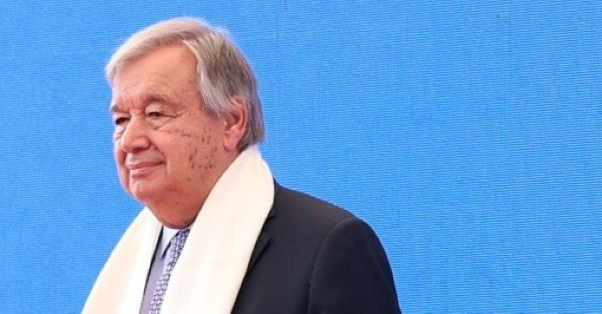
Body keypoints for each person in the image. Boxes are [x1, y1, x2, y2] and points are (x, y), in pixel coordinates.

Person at [84, 18, 400, 314]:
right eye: (121, 120)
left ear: (233, 121)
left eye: (155, 114)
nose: (130, 141)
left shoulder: (328, 247)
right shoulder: (133, 260)